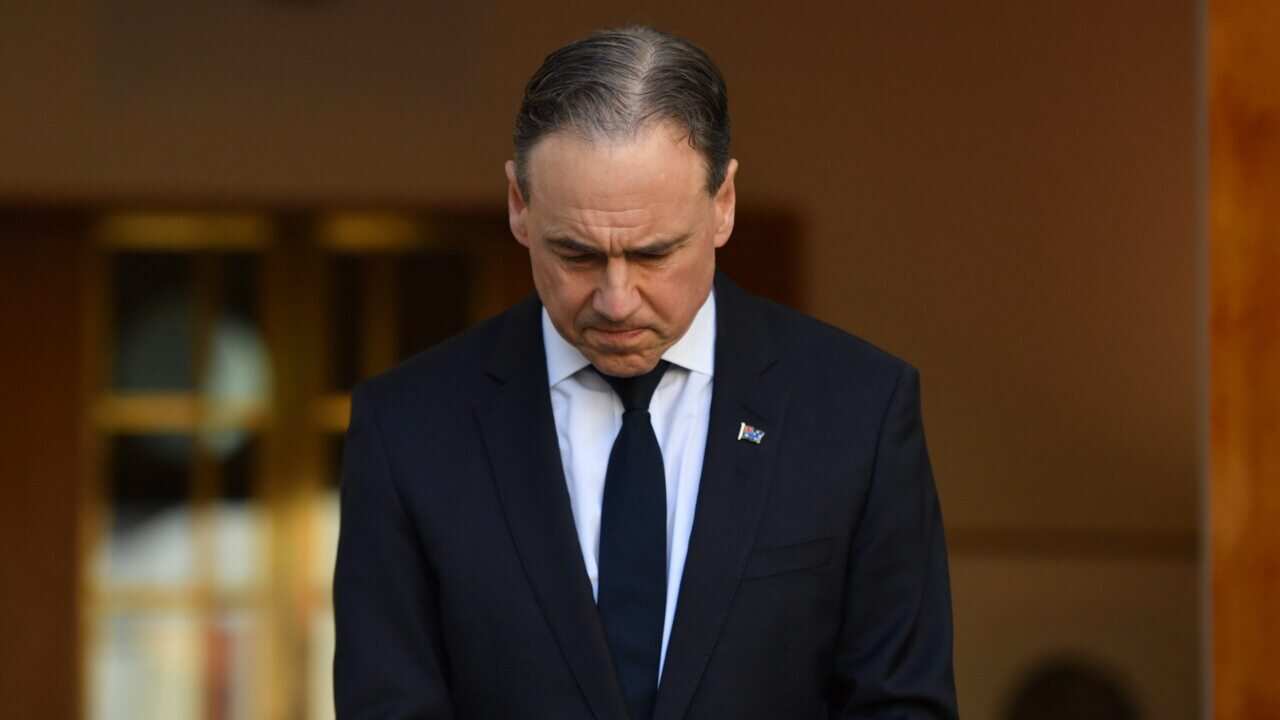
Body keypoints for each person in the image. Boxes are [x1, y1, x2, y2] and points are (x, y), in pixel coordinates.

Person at [334, 25, 957, 720]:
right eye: (577, 255)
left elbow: (901, 705)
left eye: (654, 254)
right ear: (519, 205)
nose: (616, 299)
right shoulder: (408, 429)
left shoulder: (858, 411)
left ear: (722, 203)